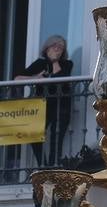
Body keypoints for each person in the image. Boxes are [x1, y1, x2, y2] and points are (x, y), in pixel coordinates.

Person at [19, 35, 75, 165]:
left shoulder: (67, 64)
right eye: (54, 46)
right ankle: (42, 165)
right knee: (33, 134)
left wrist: (55, 61)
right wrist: (35, 78)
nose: (57, 49)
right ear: (47, 48)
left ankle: (52, 168)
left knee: (56, 138)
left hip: (61, 107)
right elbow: (17, 79)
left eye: (61, 47)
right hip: (42, 106)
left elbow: (60, 78)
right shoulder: (40, 63)